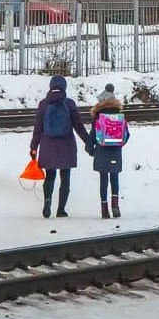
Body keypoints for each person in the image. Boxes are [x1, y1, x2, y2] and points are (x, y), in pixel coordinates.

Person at [30, 75, 89, 219]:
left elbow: (38, 128)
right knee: (65, 177)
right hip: (66, 145)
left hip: (48, 145)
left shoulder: (43, 104)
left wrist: (33, 147)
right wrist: (89, 141)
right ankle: (61, 209)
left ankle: (47, 201)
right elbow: (78, 126)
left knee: (50, 176)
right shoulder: (69, 104)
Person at [86, 83, 129, 219]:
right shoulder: (119, 115)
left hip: (101, 150)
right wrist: (119, 144)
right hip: (115, 150)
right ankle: (115, 203)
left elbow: (93, 134)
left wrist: (90, 149)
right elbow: (126, 134)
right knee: (114, 176)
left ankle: (104, 209)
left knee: (103, 179)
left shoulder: (98, 117)